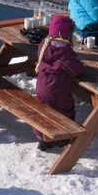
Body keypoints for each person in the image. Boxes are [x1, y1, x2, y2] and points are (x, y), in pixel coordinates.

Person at [33, 14, 84, 151]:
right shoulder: (65, 52)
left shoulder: (44, 44)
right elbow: (75, 70)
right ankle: (63, 137)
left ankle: (43, 139)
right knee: (64, 109)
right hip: (56, 88)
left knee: (44, 111)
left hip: (42, 84)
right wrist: (80, 64)